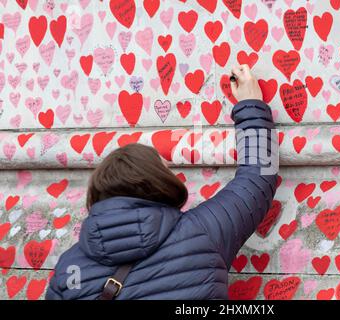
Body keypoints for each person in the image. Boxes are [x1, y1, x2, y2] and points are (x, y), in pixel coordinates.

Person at [45, 65, 279, 300]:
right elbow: (257, 179)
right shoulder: (202, 233)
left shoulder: (68, 270)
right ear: (161, 184)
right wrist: (250, 105)